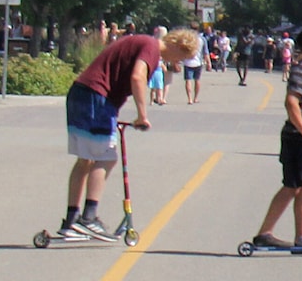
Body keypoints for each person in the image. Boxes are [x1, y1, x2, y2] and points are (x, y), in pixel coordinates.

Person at [56, 28, 200, 239]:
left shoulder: (141, 42)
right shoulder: (151, 48)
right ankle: (88, 217)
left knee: (85, 160)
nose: (177, 62)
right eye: (181, 57)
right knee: (106, 157)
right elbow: (137, 77)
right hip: (97, 98)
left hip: (81, 92)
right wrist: (143, 114)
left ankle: (70, 220)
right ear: (178, 46)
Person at [251, 25, 302, 249]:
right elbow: (292, 102)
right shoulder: (301, 70)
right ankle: (264, 233)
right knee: (292, 186)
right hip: (297, 139)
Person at [183, 22, 211, 104]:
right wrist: (208, 63)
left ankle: (189, 99)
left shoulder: (186, 39)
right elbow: (206, 52)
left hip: (187, 62)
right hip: (198, 62)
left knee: (188, 80)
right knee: (197, 80)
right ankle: (195, 98)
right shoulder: (202, 39)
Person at [148, 26, 168, 105]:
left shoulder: (153, 41)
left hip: (156, 70)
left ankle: (159, 99)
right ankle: (154, 99)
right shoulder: (158, 42)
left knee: (159, 86)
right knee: (155, 87)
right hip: (155, 69)